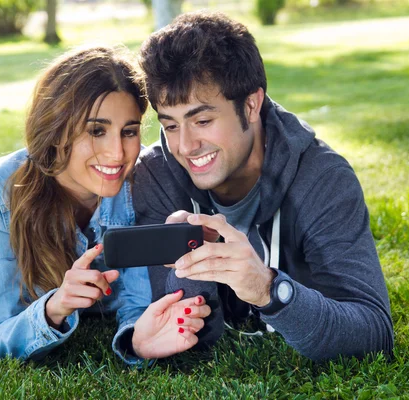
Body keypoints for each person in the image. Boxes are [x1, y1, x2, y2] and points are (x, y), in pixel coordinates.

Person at [133, 12, 394, 361]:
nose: (185, 146)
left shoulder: (324, 179)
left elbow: (373, 332)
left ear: (251, 104)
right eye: (171, 126)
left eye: (203, 120)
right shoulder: (157, 176)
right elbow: (185, 341)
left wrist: (268, 288)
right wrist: (190, 274)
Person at [0, 46, 211, 364]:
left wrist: (137, 340)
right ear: (56, 129)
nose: (117, 154)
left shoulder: (148, 178)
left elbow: (138, 298)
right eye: (97, 131)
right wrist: (55, 307)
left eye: (129, 132)